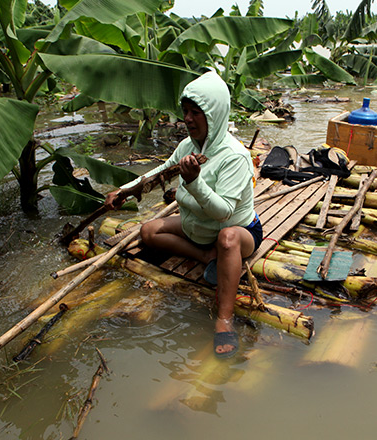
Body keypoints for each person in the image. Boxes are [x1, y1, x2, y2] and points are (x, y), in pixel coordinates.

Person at [104, 71, 261, 359]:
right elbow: (159, 173)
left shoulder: (235, 156)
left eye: (196, 113)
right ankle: (206, 257)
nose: (187, 119)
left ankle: (224, 320)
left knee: (226, 239)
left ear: (214, 114)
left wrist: (194, 182)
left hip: (239, 231)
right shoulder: (187, 147)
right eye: (185, 112)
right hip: (197, 229)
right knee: (149, 231)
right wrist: (125, 190)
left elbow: (224, 213)